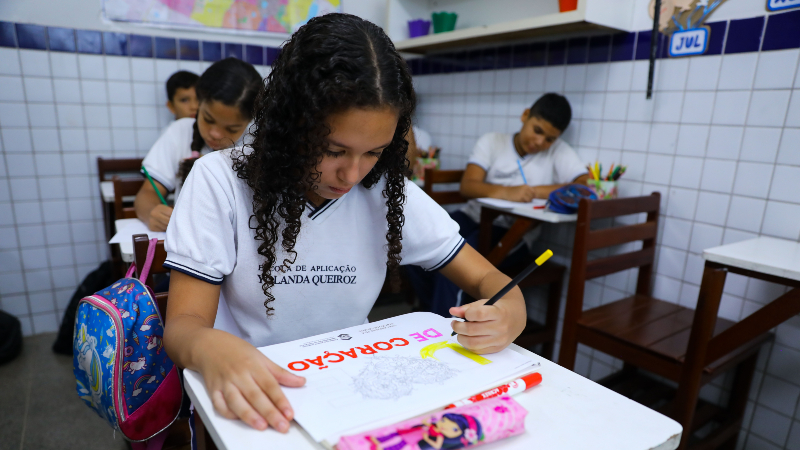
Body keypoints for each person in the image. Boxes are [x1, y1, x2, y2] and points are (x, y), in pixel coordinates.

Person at [161, 13, 527, 434]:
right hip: (254, 391)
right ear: (291, 125)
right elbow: (183, 328)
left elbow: (492, 281)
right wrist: (210, 347)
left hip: (355, 392)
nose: (352, 175)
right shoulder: (220, 180)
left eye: (374, 152)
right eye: (333, 150)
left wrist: (510, 310)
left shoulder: (385, 191)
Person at [407, 93, 589, 318]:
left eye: (550, 139)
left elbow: (583, 185)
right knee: (420, 247)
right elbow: (468, 186)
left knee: (455, 263)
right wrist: (507, 193)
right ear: (525, 116)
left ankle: (444, 329)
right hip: (472, 217)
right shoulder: (493, 141)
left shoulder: (558, 151)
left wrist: (534, 192)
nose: (540, 142)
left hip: (513, 233)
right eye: (537, 130)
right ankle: (434, 316)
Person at [134, 58, 261, 232]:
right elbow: (147, 194)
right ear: (199, 102)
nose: (215, 134)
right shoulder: (180, 132)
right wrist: (152, 214)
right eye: (208, 119)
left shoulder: (259, 143)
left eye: (232, 128)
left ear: (249, 121)